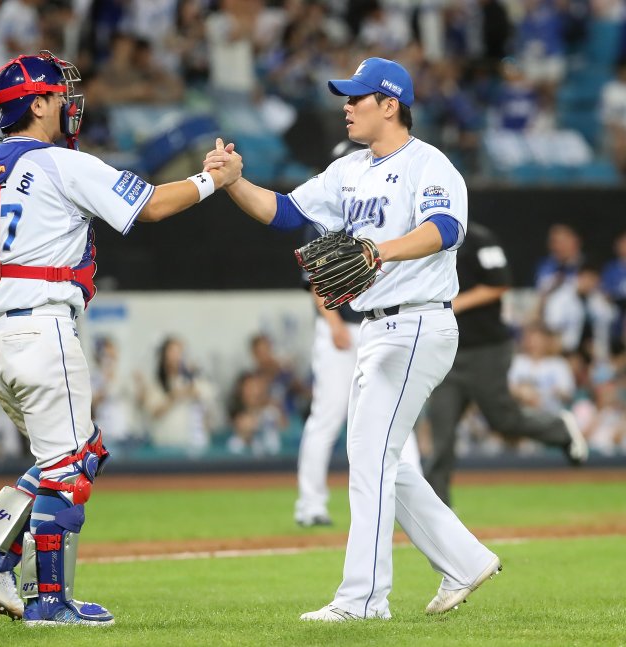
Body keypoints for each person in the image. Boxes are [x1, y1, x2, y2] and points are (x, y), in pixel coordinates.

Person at [0, 50, 242, 627]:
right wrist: (213, 178)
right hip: (43, 328)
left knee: (80, 452)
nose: (67, 102)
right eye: (57, 94)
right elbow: (153, 206)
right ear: (36, 104)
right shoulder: (61, 164)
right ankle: (46, 602)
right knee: (67, 467)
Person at [205, 56, 501, 621]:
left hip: (418, 321)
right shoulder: (350, 171)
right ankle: (464, 559)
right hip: (376, 327)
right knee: (381, 456)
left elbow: (445, 230)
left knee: (368, 454)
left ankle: (363, 600)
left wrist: (378, 251)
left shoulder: (430, 165)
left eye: (357, 97)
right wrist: (234, 181)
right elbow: (288, 213)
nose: (346, 105)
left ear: (390, 105)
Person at [424, 224, 589, 506]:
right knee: (441, 434)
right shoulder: (421, 240)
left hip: (485, 347)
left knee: (503, 420)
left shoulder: (478, 238)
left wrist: (454, 302)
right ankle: (440, 518)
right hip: (445, 352)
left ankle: (559, 429)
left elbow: (500, 282)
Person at [295, 223, 423, 528]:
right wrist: (333, 323)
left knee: (395, 411)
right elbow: (315, 280)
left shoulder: (380, 211)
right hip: (339, 327)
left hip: (380, 324)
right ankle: (310, 505)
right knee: (328, 416)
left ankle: (416, 505)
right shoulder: (322, 218)